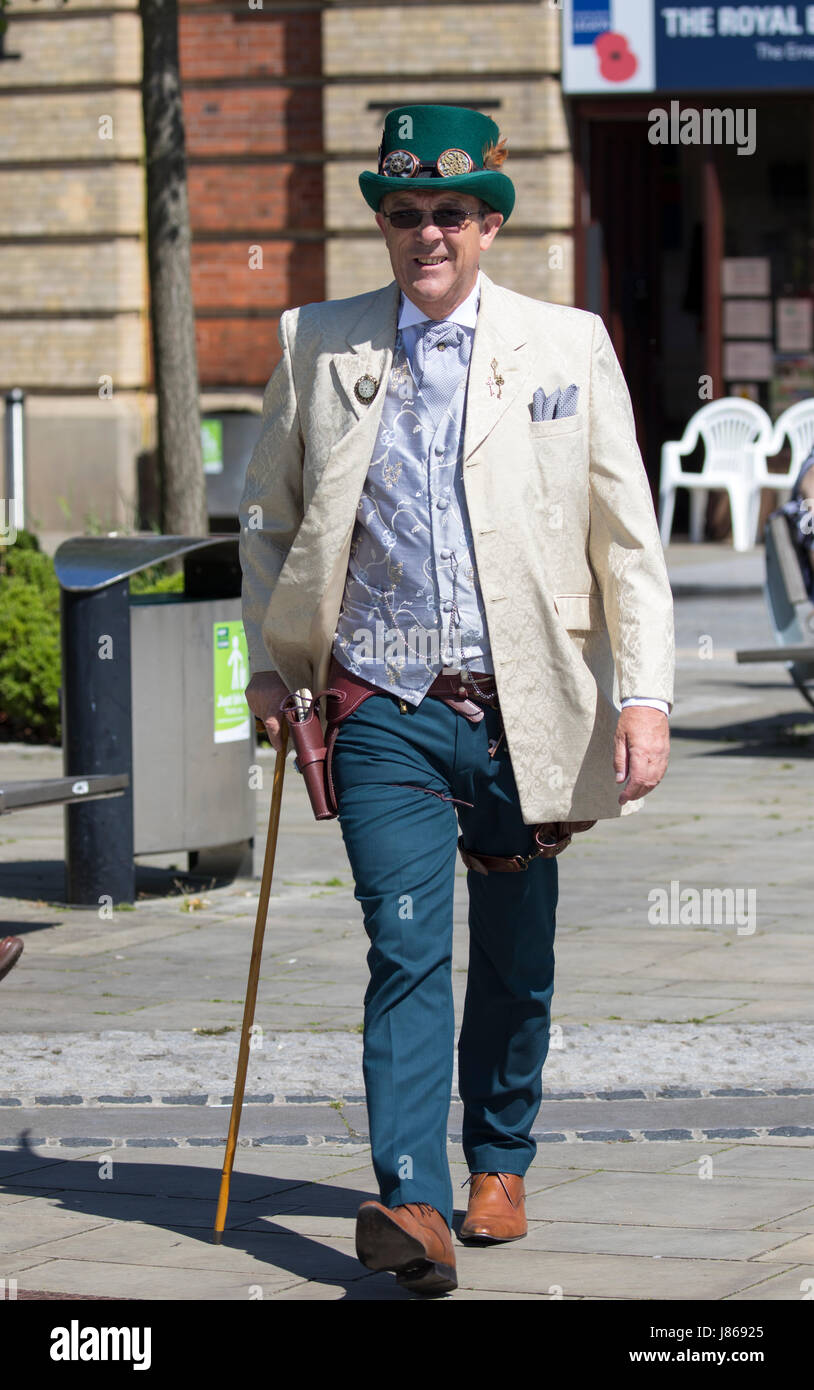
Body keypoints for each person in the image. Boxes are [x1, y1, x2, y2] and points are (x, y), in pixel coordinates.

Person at [239, 105, 674, 1296]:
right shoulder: (313, 341)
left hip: (524, 703)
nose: (425, 233)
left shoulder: (567, 343)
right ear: (382, 225)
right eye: (402, 214)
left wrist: (643, 699)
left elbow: (625, 539)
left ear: (488, 222)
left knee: (518, 955)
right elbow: (267, 518)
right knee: (406, 942)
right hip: (382, 702)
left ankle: (499, 1160)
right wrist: (271, 661)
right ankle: (411, 1201)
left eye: (447, 213)